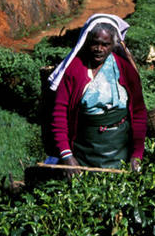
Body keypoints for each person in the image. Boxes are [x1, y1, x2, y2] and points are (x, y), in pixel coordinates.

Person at [49, 14, 147, 171]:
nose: (99, 49)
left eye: (105, 44)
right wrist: (67, 155)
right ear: (87, 41)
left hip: (120, 148)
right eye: (95, 43)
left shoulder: (124, 69)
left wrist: (136, 154)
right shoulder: (75, 70)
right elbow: (59, 113)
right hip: (83, 150)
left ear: (113, 44)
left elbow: (139, 111)